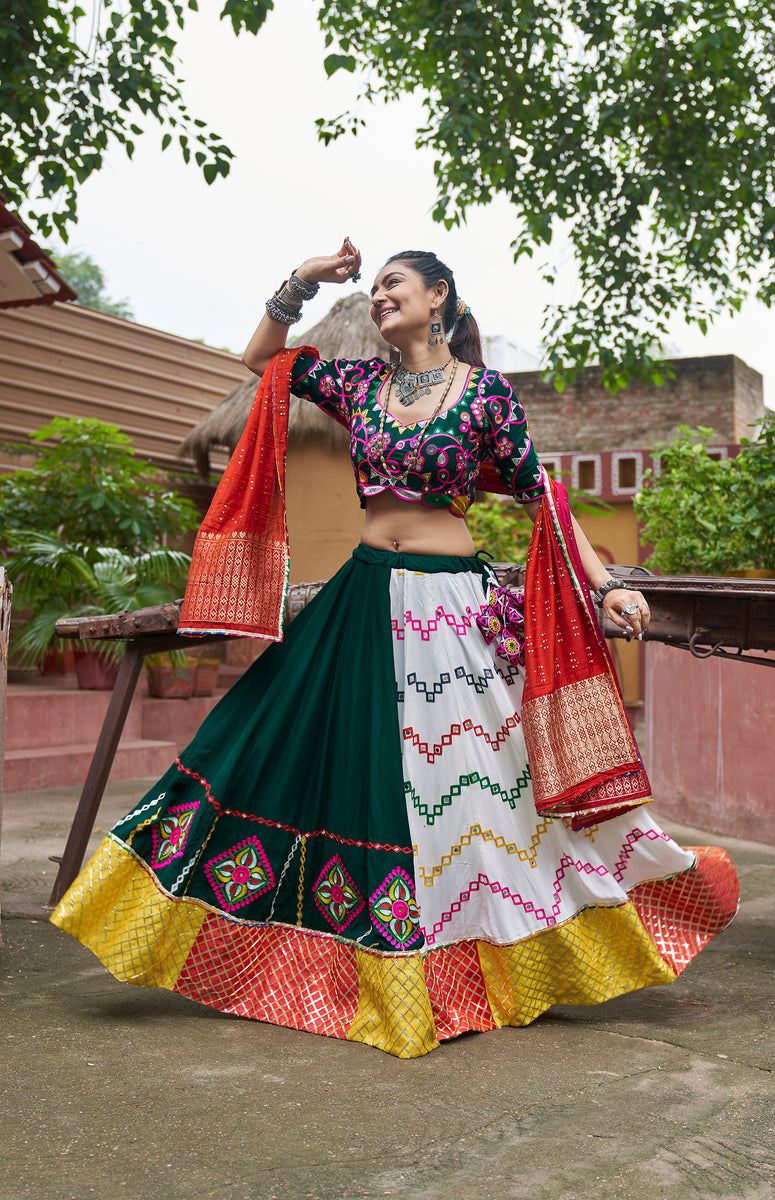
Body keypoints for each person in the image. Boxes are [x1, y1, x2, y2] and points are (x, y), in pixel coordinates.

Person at [51, 239, 738, 1059]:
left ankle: (530, 954)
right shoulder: (357, 385)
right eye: (374, 290)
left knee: (492, 786)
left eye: (395, 286)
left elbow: (544, 499)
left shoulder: (484, 395)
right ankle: (338, 961)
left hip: (455, 612)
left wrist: (605, 586)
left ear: (439, 297)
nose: (380, 298)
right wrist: (306, 279)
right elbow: (258, 360)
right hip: (367, 598)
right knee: (275, 744)